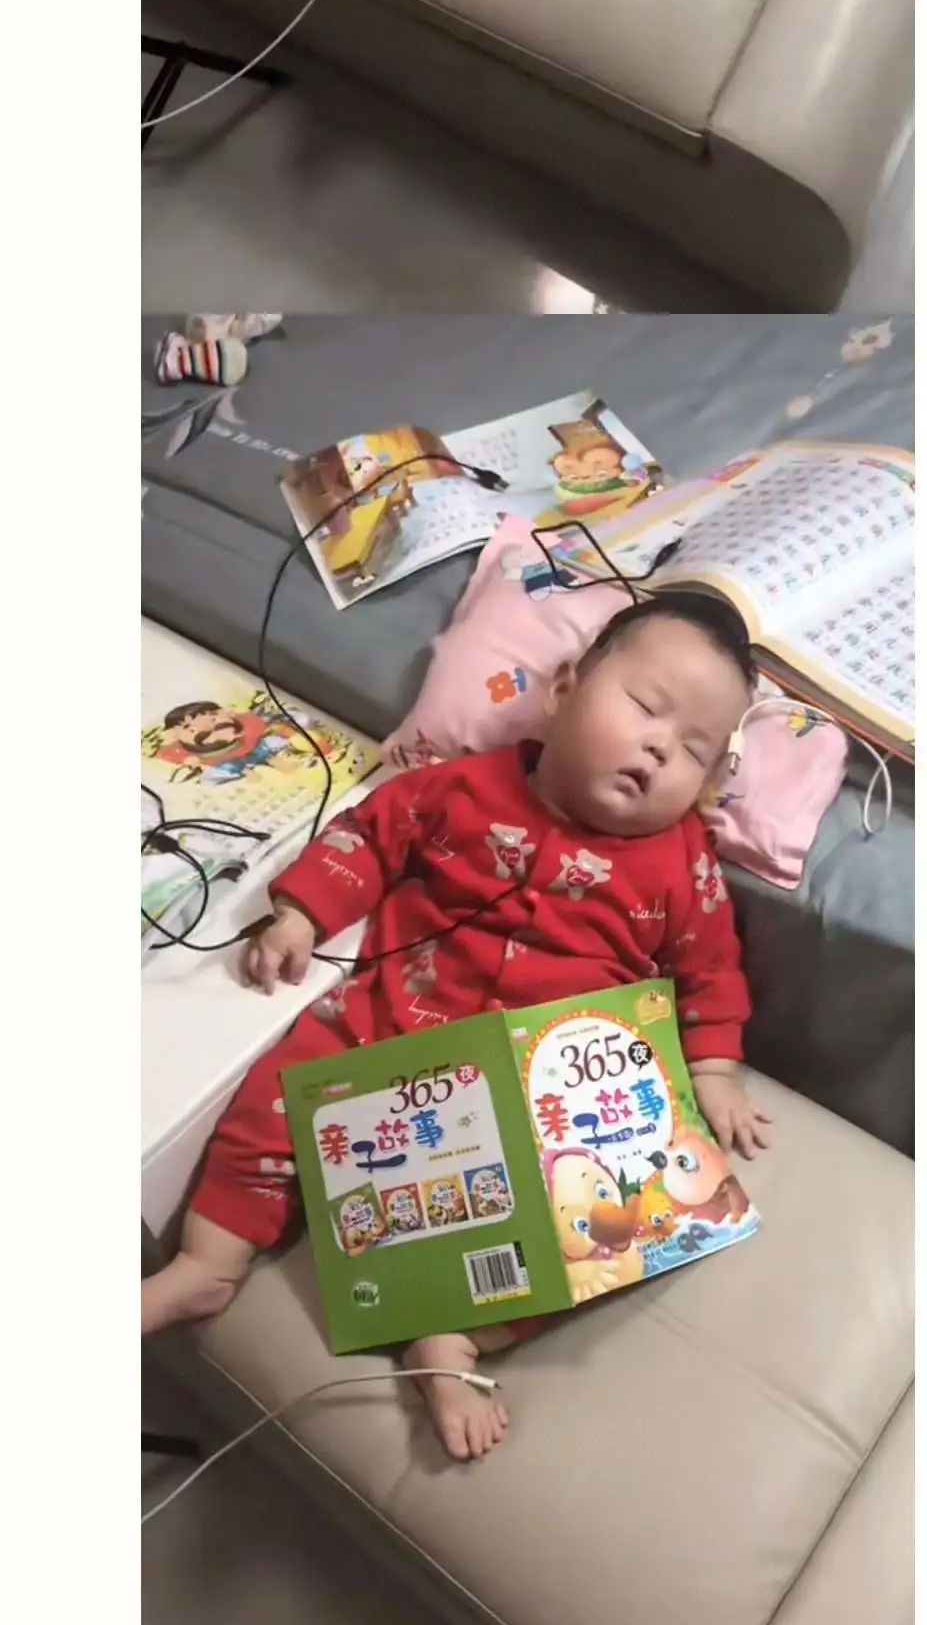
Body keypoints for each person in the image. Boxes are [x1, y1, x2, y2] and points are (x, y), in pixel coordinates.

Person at [140, 591, 772, 1455]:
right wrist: (301, 915)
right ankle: (208, 1265)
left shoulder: (683, 865)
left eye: (694, 750)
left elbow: (711, 970)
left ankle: (454, 1333)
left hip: (543, 1088)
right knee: (278, 1102)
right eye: (645, 706)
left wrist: (716, 1069)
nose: (662, 746)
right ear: (565, 689)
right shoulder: (461, 786)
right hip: (391, 1027)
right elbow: (369, 836)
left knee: (612, 1213)